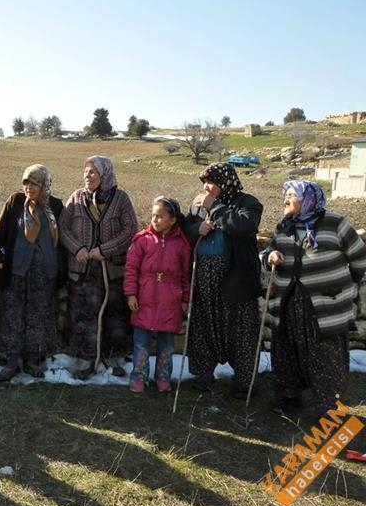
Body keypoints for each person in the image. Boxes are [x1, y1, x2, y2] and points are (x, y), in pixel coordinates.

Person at [264, 181, 366, 416]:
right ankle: (289, 396)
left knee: (326, 355)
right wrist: (271, 256)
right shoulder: (284, 226)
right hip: (289, 303)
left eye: (291, 195)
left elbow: (360, 256)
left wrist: (344, 284)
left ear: (308, 198)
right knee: (286, 349)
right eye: (285, 195)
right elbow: (268, 251)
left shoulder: (334, 223)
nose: (285, 200)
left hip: (325, 305)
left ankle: (327, 406)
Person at [183, 163, 262, 397]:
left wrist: (214, 207)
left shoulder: (248, 202)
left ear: (225, 182)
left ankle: (244, 382)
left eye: (211, 182)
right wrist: (198, 228)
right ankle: (204, 375)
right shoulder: (198, 205)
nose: (206, 187)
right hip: (204, 279)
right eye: (204, 183)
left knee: (241, 331)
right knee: (203, 327)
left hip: (235, 278)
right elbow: (185, 231)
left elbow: (242, 226)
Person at [58, 155, 137, 379]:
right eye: (85, 172)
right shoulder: (76, 198)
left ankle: (113, 357)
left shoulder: (120, 199)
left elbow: (130, 229)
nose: (87, 176)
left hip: (110, 270)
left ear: (105, 174)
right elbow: (63, 229)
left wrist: (104, 250)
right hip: (82, 271)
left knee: (114, 315)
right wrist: (78, 249)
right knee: (82, 315)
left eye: (92, 172)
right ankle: (84, 360)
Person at [0, 165, 64, 381]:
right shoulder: (15, 203)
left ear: (44, 185)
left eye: (35, 184)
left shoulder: (56, 207)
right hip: (17, 272)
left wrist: (62, 270)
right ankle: (12, 362)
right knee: (12, 317)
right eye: (26, 183)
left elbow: (62, 242)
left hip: (44, 274)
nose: (29, 188)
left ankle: (32, 361)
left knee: (39, 317)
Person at [124, 196, 191, 393]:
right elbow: (131, 270)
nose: (155, 220)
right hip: (144, 297)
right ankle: (138, 377)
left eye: (160, 216)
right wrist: (131, 294)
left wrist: (185, 299)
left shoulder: (181, 245)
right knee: (141, 342)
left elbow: (185, 275)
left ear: (173, 220)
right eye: (153, 215)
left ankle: (163, 377)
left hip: (170, 299)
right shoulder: (142, 240)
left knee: (167, 344)